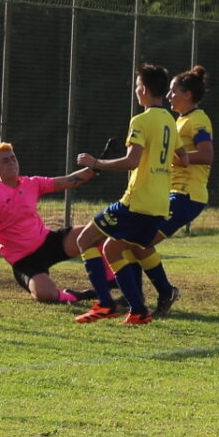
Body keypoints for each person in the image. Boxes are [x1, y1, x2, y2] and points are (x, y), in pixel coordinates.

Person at [68, 64, 178, 327]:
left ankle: (105, 304)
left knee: (85, 240)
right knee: (113, 248)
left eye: (137, 86)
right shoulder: (170, 121)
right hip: (159, 202)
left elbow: (131, 162)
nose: (136, 92)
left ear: (145, 90)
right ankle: (138, 310)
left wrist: (96, 163)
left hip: (136, 201)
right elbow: (182, 157)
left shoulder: (141, 120)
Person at [131, 64, 216, 317]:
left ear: (188, 94)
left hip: (186, 195)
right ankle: (134, 296)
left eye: (173, 91)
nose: (168, 96)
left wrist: (169, 155)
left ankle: (164, 292)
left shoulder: (198, 120)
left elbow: (207, 155)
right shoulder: (179, 121)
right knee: (132, 242)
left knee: (139, 243)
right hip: (170, 193)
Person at [0, 143, 97, 306]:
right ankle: (74, 296)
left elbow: (68, 181)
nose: (11, 163)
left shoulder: (31, 183)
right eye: (5, 161)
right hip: (24, 260)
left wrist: (96, 166)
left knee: (94, 233)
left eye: (13, 158)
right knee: (45, 294)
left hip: (46, 242)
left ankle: (110, 283)